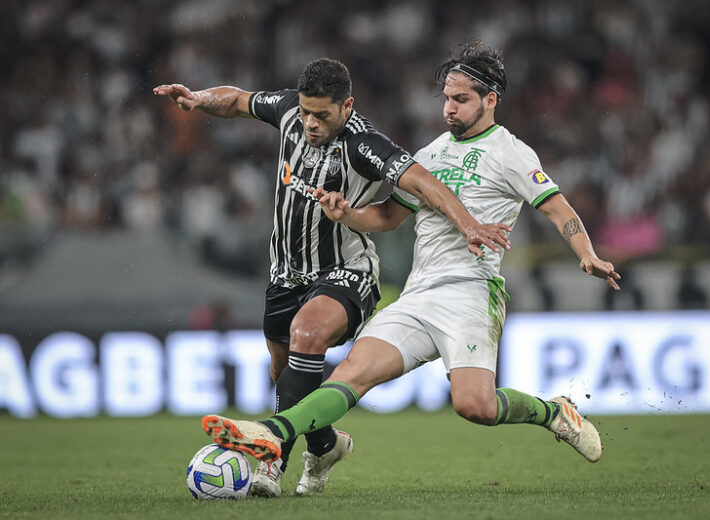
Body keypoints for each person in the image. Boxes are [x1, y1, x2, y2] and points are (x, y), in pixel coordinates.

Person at [201, 42, 620, 480]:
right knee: (351, 374)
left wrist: (587, 254)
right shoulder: (432, 153)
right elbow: (385, 216)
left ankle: (553, 412)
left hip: (471, 293)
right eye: (446, 99)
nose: (449, 110)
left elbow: (558, 208)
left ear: (490, 100)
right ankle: (271, 433)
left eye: (461, 100)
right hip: (418, 295)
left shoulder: (510, 153)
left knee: (474, 406)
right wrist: (348, 215)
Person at [154, 59, 510, 496]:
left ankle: (273, 462)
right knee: (286, 375)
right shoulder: (290, 111)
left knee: (308, 334)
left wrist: (469, 224)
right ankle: (325, 445)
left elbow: (424, 182)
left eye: (322, 115)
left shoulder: (365, 143)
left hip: (346, 271)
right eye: (306, 112)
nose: (310, 123)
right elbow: (239, 101)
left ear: (347, 107)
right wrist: (199, 99)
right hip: (285, 275)